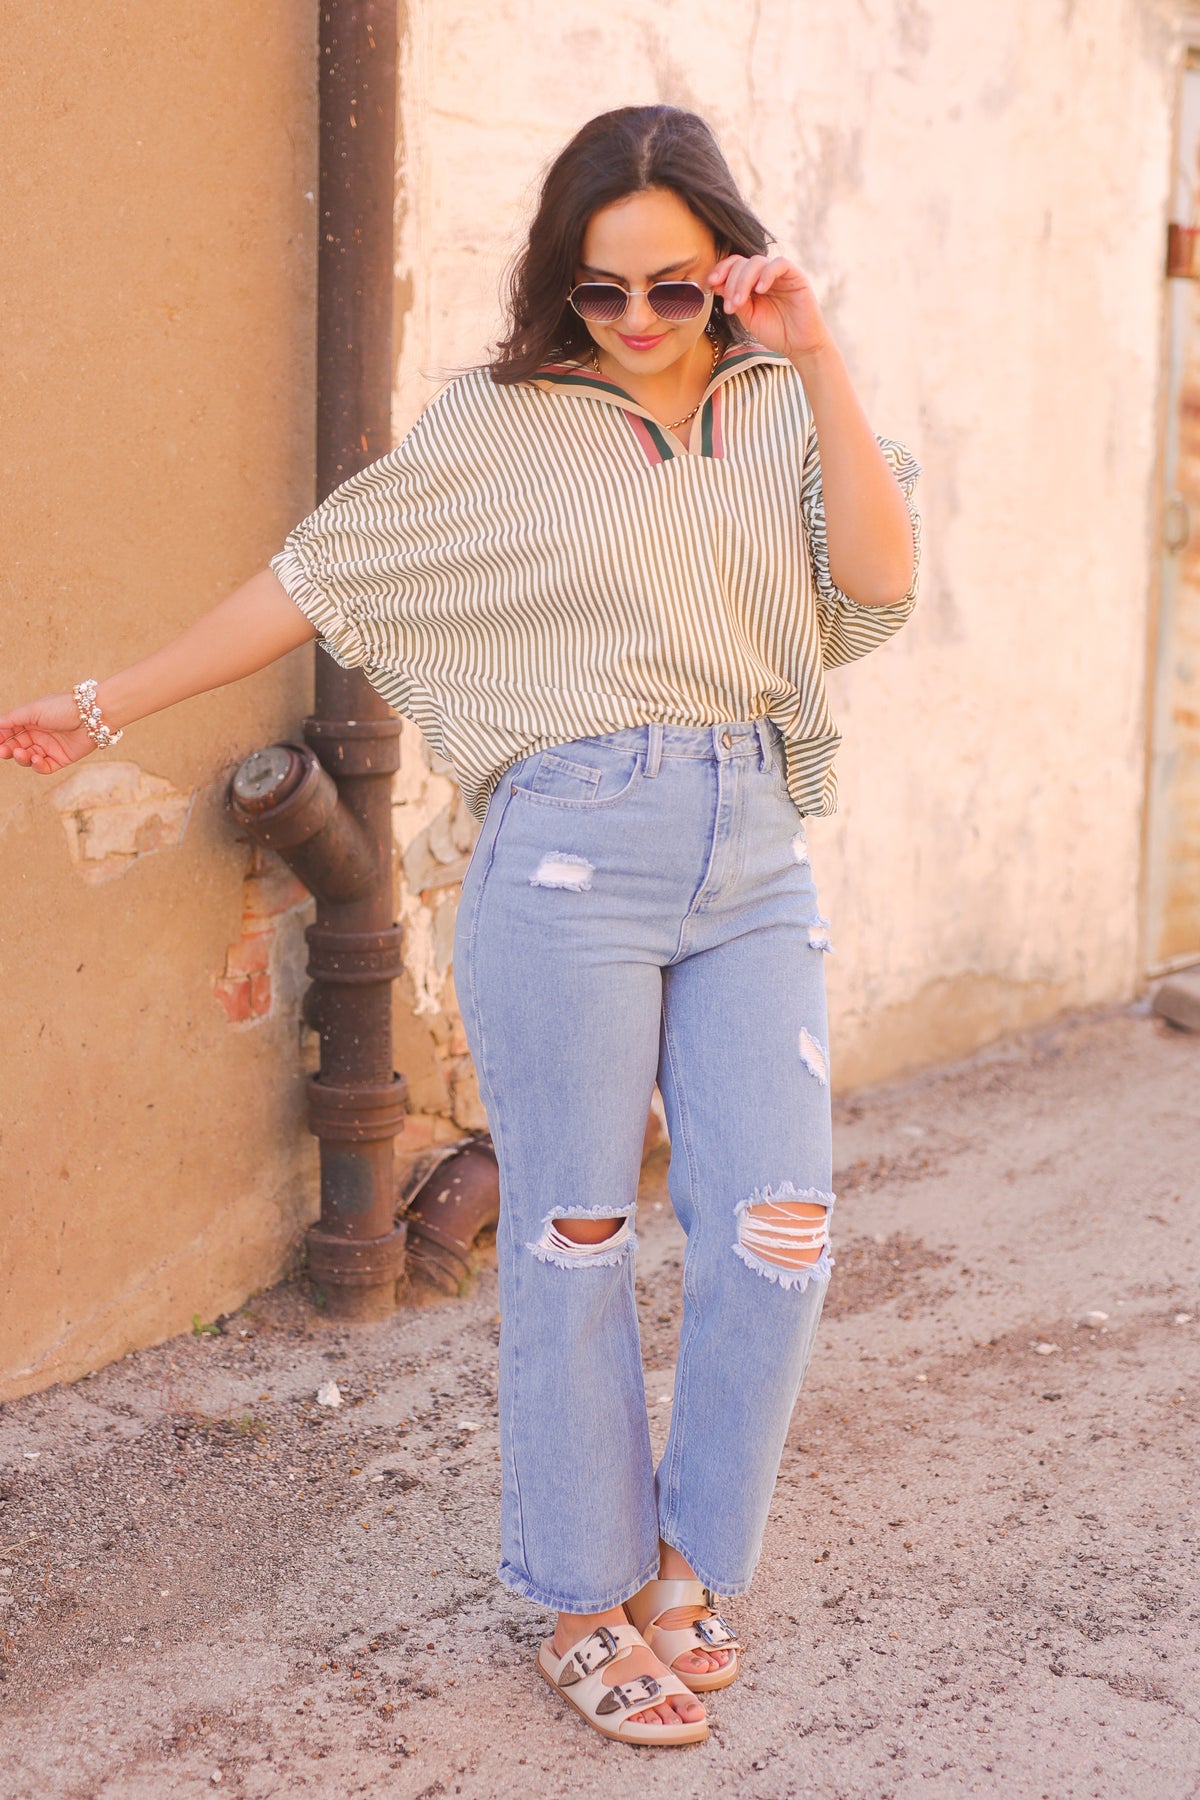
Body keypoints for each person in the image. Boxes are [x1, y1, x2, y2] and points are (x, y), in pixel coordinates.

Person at [1, 105, 920, 1747]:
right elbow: (322, 575)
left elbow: (877, 580)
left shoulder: (779, 401)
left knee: (781, 1228)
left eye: (673, 287)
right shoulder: (504, 427)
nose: (637, 321)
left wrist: (817, 350)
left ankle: (690, 1562)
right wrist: (103, 701)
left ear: (730, 267)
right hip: (571, 851)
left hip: (754, 850)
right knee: (572, 1237)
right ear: (563, 288)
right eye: (602, 290)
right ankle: (582, 1593)